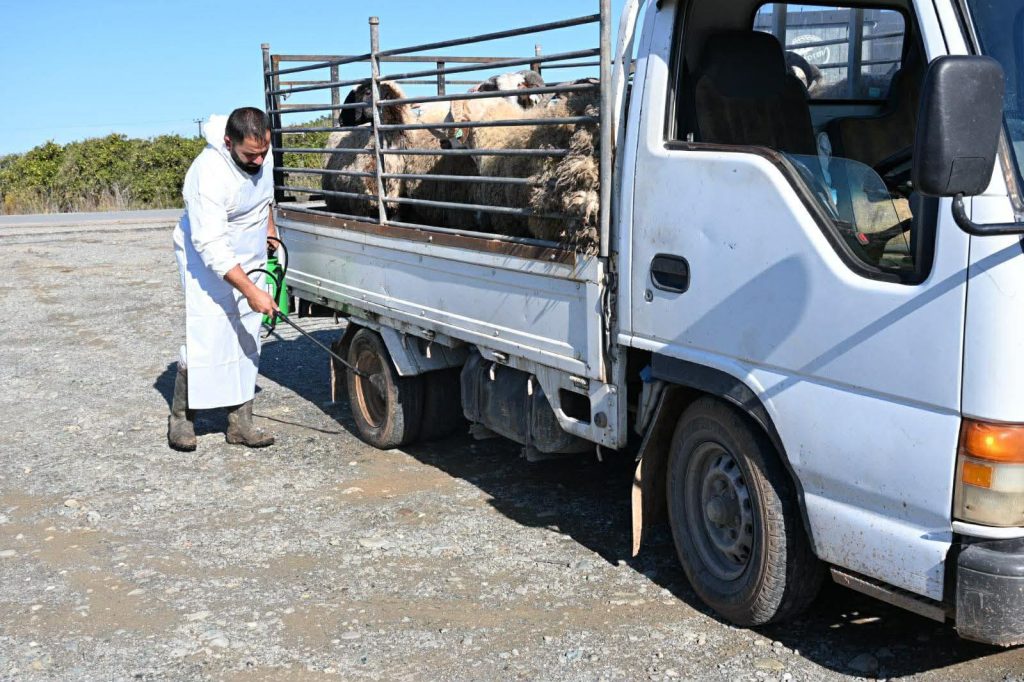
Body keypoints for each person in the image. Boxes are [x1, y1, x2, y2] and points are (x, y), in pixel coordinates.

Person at [168, 107, 280, 451]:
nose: (259, 160)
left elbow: (265, 197)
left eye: (264, 152)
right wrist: (249, 290)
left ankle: (239, 423)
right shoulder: (208, 174)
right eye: (250, 155)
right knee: (209, 331)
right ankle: (182, 419)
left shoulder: (260, 151)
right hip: (207, 258)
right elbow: (211, 243)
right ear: (228, 143)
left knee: (248, 333)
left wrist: (270, 230)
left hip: (250, 249)